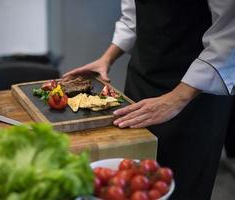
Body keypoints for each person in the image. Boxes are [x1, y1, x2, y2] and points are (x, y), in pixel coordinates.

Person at [63, 0, 235, 199]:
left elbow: (229, 38)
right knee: (131, 183)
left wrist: (176, 98)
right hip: (141, 79)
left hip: (195, 94)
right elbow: (133, 16)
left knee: (180, 188)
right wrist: (107, 58)